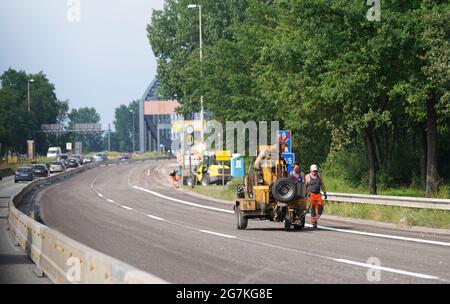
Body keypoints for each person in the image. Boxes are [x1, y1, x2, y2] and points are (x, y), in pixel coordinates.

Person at [305, 164, 327, 229]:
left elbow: (322, 185)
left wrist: (325, 192)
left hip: (318, 194)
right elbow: (304, 186)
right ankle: (314, 224)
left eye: (316, 171)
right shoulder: (307, 176)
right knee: (313, 208)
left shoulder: (319, 176)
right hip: (311, 194)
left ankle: (316, 217)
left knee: (320, 206)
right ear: (311, 171)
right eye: (313, 171)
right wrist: (305, 193)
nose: (315, 172)